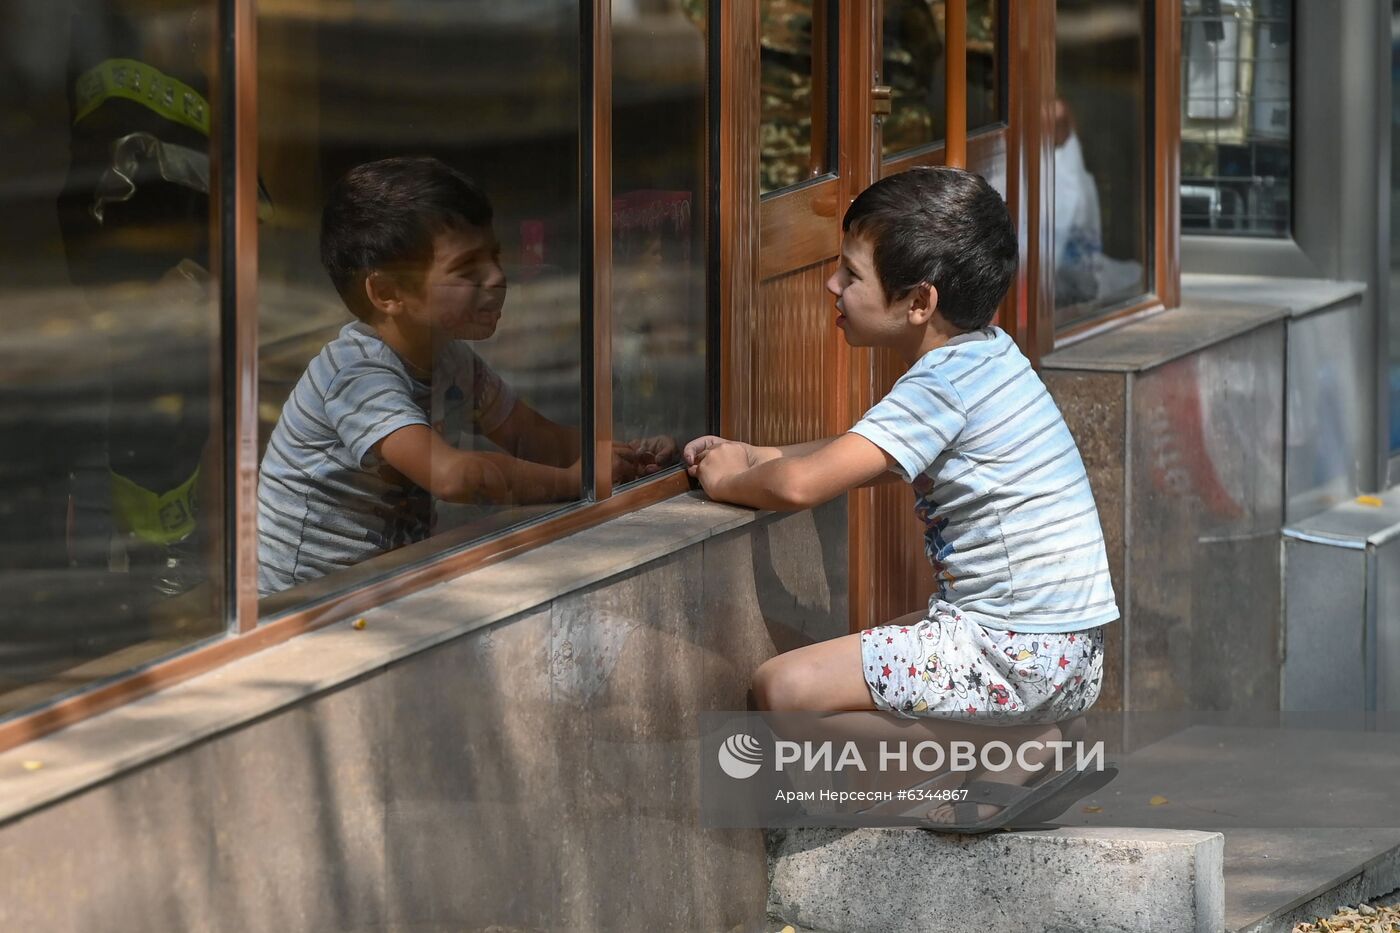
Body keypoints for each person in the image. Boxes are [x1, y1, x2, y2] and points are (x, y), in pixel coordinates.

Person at [684, 167, 1117, 830]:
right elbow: (858, 454)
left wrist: (727, 480)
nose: (832, 285)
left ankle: (1018, 745)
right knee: (885, 652)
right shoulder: (990, 357)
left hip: (1011, 653)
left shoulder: (940, 384)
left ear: (919, 300)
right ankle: (1003, 774)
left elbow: (805, 485)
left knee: (785, 690)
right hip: (1068, 655)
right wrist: (755, 454)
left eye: (851, 275)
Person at [258, 157, 674, 596]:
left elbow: (532, 436)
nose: (496, 278)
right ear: (386, 293)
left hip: (376, 586)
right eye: (467, 269)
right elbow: (453, 477)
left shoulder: (451, 361)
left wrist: (627, 455)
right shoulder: (355, 374)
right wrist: (579, 481)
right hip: (299, 606)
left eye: (494, 256)